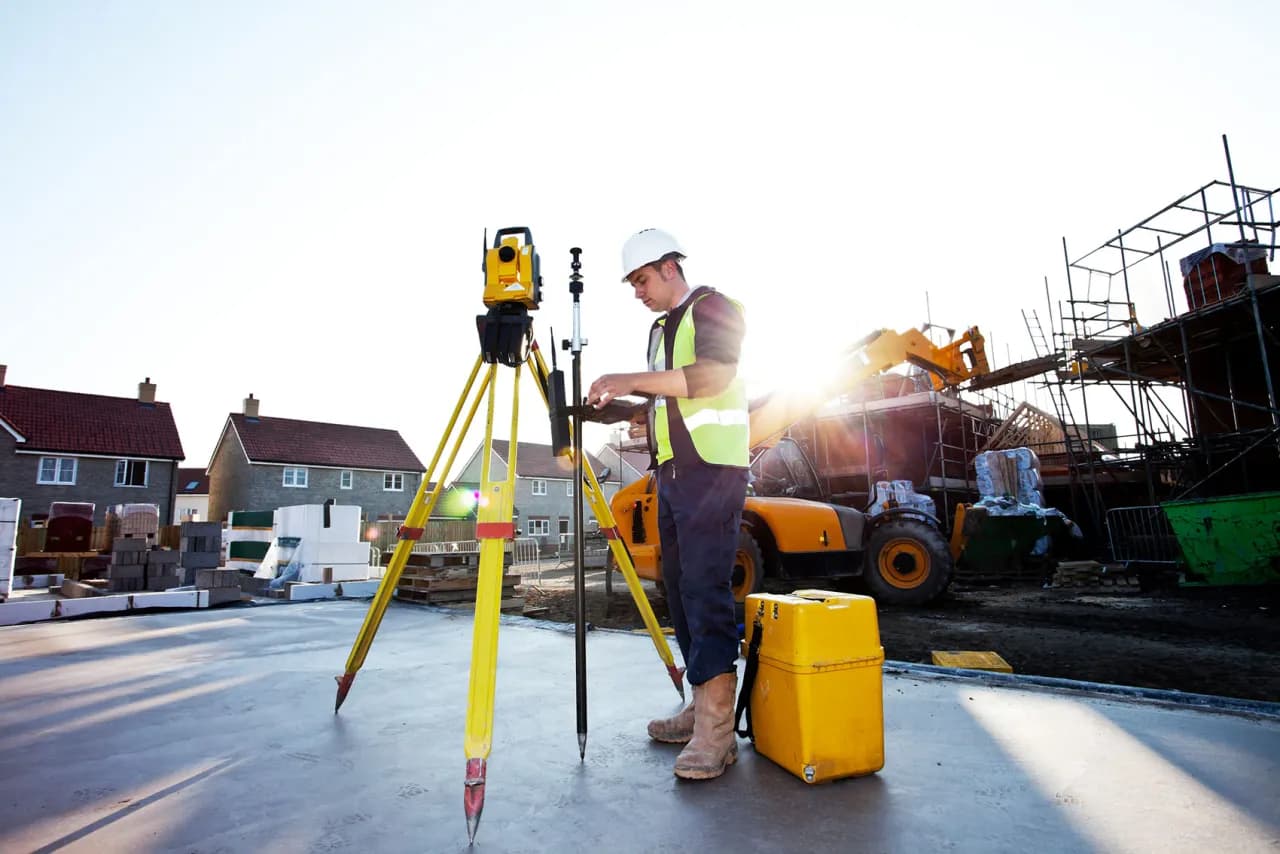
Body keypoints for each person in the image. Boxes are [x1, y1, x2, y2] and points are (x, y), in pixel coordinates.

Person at [587, 228, 749, 781]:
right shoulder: (660, 330)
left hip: (713, 468)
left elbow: (712, 376)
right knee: (679, 589)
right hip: (674, 472)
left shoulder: (714, 307)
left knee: (705, 588)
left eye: (641, 280)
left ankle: (717, 730)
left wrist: (628, 378)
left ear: (669, 268)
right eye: (633, 284)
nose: (638, 292)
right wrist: (627, 410)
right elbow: (668, 396)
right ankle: (698, 705)